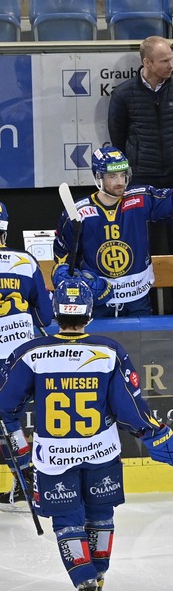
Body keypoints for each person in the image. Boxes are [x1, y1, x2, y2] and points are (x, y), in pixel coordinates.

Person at [0, 275, 173, 591]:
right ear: (88, 311)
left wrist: (19, 450)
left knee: (67, 521)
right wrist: (155, 434)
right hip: (101, 453)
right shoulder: (108, 349)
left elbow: (4, 407)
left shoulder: (31, 352)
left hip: (53, 459)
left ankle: (84, 584)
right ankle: (98, 574)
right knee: (101, 516)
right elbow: (129, 407)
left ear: (56, 310)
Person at [56, 146, 173, 317]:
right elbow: (62, 257)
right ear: (98, 177)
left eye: (123, 174)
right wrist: (72, 279)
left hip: (137, 298)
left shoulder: (141, 198)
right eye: (112, 176)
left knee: (141, 344)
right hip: (99, 300)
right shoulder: (77, 213)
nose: (120, 181)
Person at [106, 36, 173, 255]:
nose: (171, 65)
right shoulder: (123, 94)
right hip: (140, 177)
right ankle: (144, 290)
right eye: (164, 61)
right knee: (142, 242)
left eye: (171, 59)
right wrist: (137, 161)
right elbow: (117, 137)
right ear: (147, 62)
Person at [0, 202, 53, 512]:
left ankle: (27, 477)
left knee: (5, 419)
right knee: (8, 419)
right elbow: (45, 317)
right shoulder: (25, 260)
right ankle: (27, 477)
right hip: (25, 358)